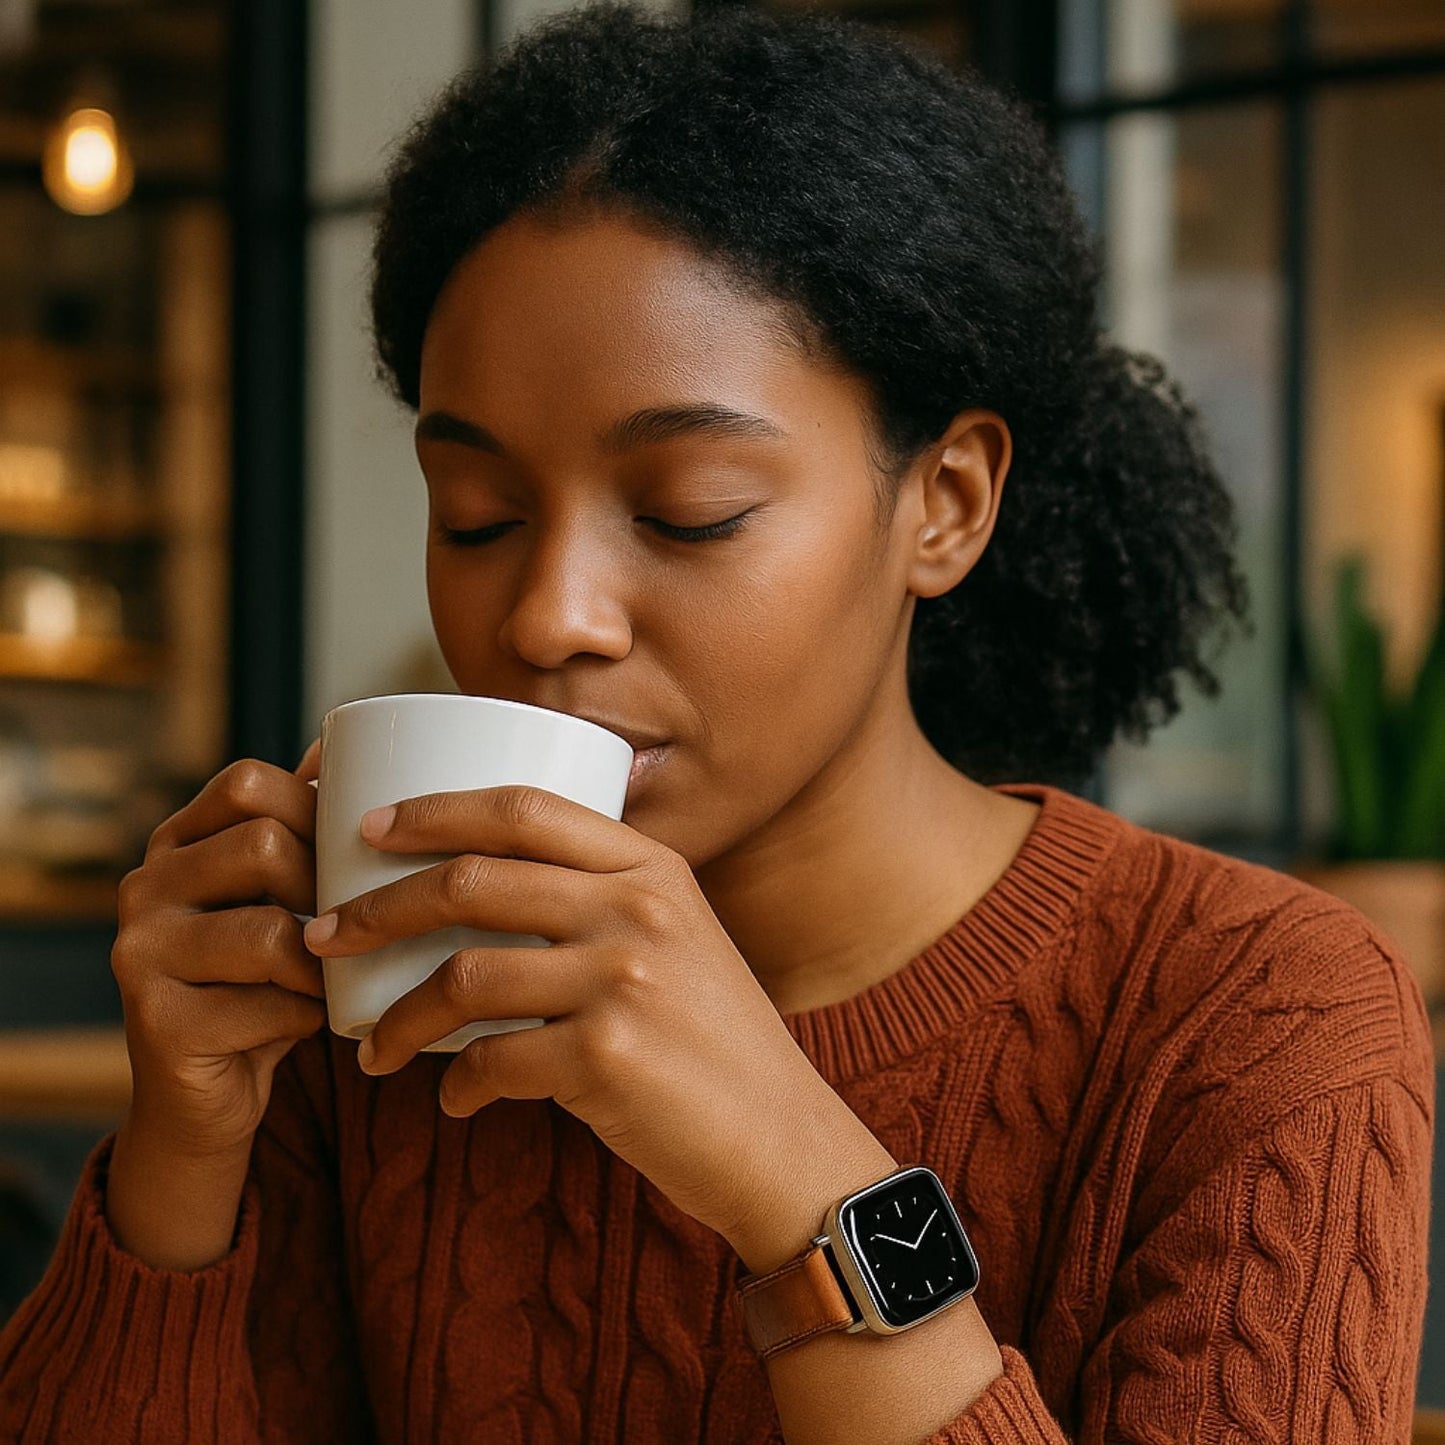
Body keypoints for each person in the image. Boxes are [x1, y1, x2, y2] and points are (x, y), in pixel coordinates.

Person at [0, 3, 1433, 1440]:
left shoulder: (1253, 1023)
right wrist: (181, 1157)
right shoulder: (375, 1015)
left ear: (944, 504)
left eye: (691, 512)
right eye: (478, 516)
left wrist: (801, 1188)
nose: (548, 613)